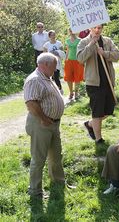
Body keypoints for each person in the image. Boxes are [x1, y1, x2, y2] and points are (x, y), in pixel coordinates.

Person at [24, 52, 65, 197]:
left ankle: (58, 182)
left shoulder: (46, 78)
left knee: (56, 156)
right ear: (45, 65)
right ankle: (35, 191)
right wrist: (43, 117)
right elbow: (31, 103)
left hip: (52, 123)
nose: (55, 69)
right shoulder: (34, 80)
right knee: (39, 158)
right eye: (54, 66)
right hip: (41, 123)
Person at [77, 24, 119, 144]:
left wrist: (105, 53)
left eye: (99, 28)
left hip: (108, 81)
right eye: (94, 28)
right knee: (97, 111)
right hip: (93, 82)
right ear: (89, 28)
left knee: (108, 110)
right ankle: (99, 139)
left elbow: (117, 56)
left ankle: (90, 124)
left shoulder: (107, 41)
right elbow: (80, 58)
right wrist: (91, 45)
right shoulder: (84, 42)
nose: (97, 30)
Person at [64, 28, 83, 100]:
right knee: (68, 77)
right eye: (70, 31)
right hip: (69, 61)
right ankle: (71, 92)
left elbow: (81, 50)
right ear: (69, 32)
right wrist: (65, 59)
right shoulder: (67, 40)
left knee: (77, 77)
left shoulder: (79, 40)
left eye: (73, 30)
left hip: (77, 61)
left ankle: (76, 93)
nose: (72, 32)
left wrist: (82, 60)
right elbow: (67, 50)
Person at [43, 30, 64, 94]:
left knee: (56, 77)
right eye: (52, 35)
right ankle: (52, 91)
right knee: (50, 77)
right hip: (49, 63)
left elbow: (62, 53)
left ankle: (60, 89)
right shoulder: (46, 45)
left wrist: (57, 53)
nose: (53, 36)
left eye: (54, 35)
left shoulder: (59, 43)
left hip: (57, 62)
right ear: (49, 36)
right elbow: (44, 54)